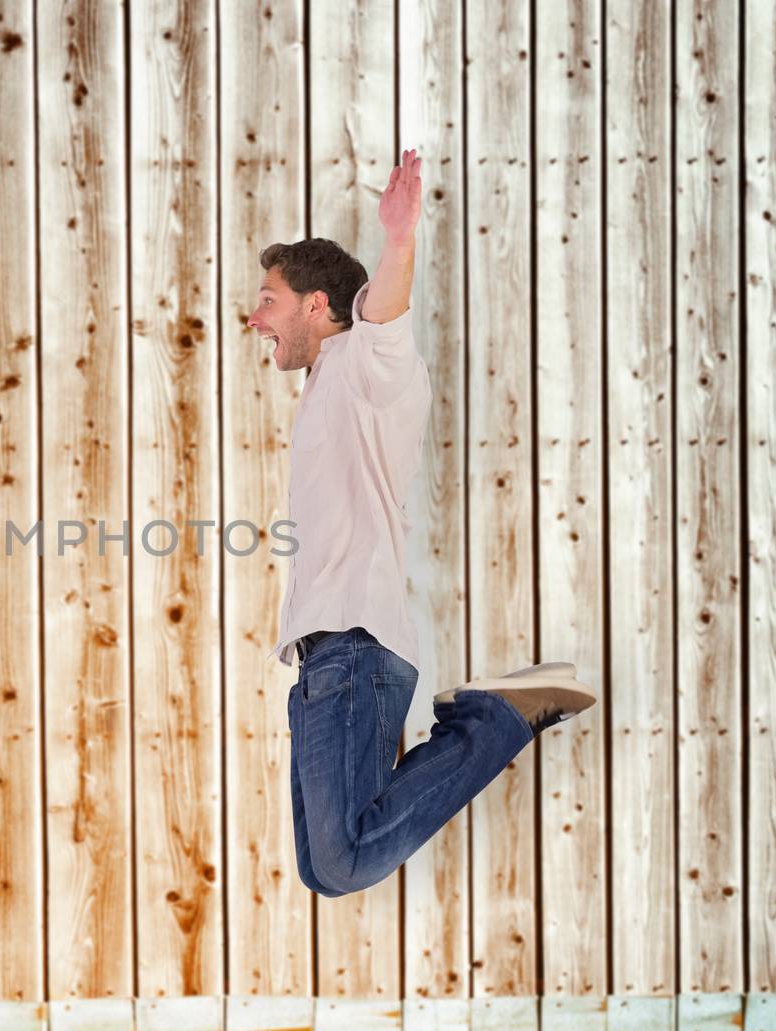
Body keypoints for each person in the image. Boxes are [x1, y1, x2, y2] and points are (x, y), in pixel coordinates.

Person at [247, 148, 597, 898]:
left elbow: (380, 317)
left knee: (342, 862)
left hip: (353, 648)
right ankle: (491, 718)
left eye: (270, 298)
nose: (256, 316)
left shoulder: (361, 364)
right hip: (323, 661)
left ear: (317, 305)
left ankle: (494, 719)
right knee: (323, 867)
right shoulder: (328, 391)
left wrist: (398, 239)